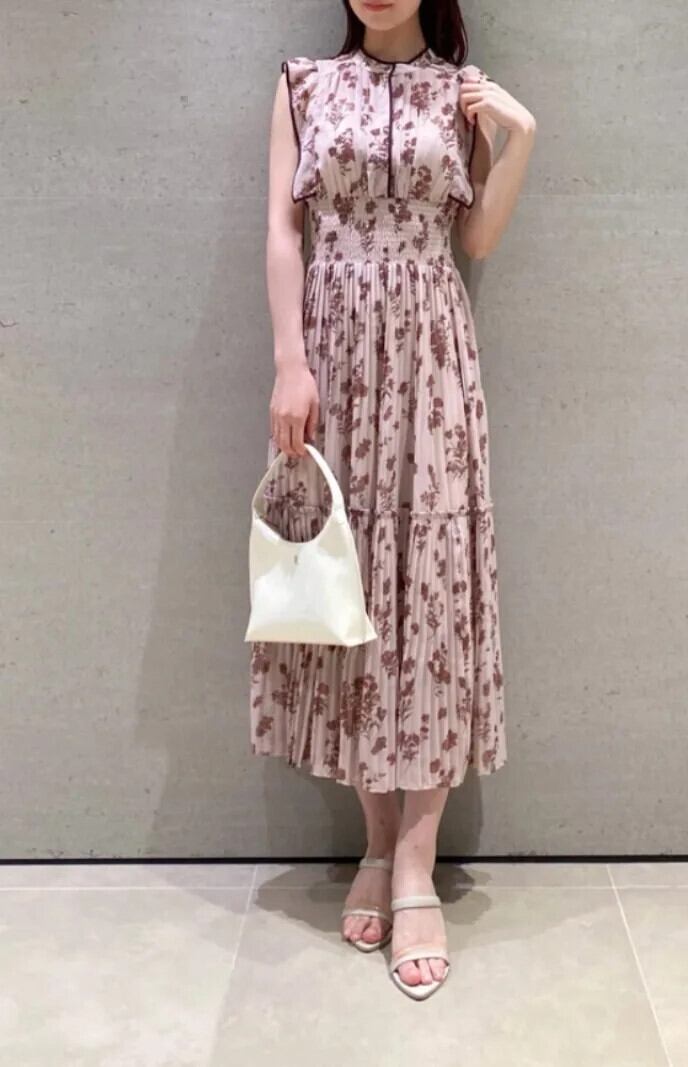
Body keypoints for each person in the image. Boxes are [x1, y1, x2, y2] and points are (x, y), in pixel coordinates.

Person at [250, 0, 536, 999]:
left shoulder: (459, 95)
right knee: (351, 593)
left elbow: (477, 239)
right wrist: (290, 362)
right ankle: (374, 842)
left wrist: (519, 135)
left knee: (434, 597)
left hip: (431, 358)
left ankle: (417, 858)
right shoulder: (302, 84)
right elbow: (282, 231)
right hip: (331, 361)